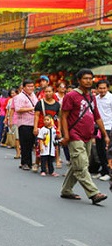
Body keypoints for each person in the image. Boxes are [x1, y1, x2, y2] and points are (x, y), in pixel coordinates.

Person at [60, 69, 108, 204]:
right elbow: (63, 116)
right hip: (75, 135)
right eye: (85, 78)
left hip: (88, 135)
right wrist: (66, 135)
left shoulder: (92, 96)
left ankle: (66, 190)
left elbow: (97, 116)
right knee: (81, 165)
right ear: (79, 80)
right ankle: (94, 193)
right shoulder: (71, 96)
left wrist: (105, 135)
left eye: (90, 78)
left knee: (78, 163)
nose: (88, 81)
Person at [34, 85, 61, 175]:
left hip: (53, 129)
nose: (48, 93)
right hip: (42, 128)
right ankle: (37, 163)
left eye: (50, 91)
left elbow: (59, 118)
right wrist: (35, 127)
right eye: (46, 91)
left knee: (53, 146)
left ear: (53, 92)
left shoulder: (57, 105)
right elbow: (36, 116)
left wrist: (59, 130)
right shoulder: (40, 103)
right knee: (40, 146)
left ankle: (50, 166)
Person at [12, 79, 37, 171]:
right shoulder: (20, 97)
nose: (31, 88)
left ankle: (29, 162)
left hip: (33, 122)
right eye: (29, 86)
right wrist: (32, 108)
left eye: (32, 86)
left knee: (31, 144)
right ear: (24, 87)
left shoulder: (33, 95)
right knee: (25, 144)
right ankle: (24, 162)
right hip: (24, 123)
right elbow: (18, 109)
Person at [93, 79, 112, 182]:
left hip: (109, 128)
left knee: (107, 151)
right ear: (97, 89)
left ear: (107, 88)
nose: (102, 90)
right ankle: (103, 170)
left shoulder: (111, 98)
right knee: (99, 150)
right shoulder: (96, 99)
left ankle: (108, 172)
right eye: (100, 88)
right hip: (98, 128)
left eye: (104, 88)